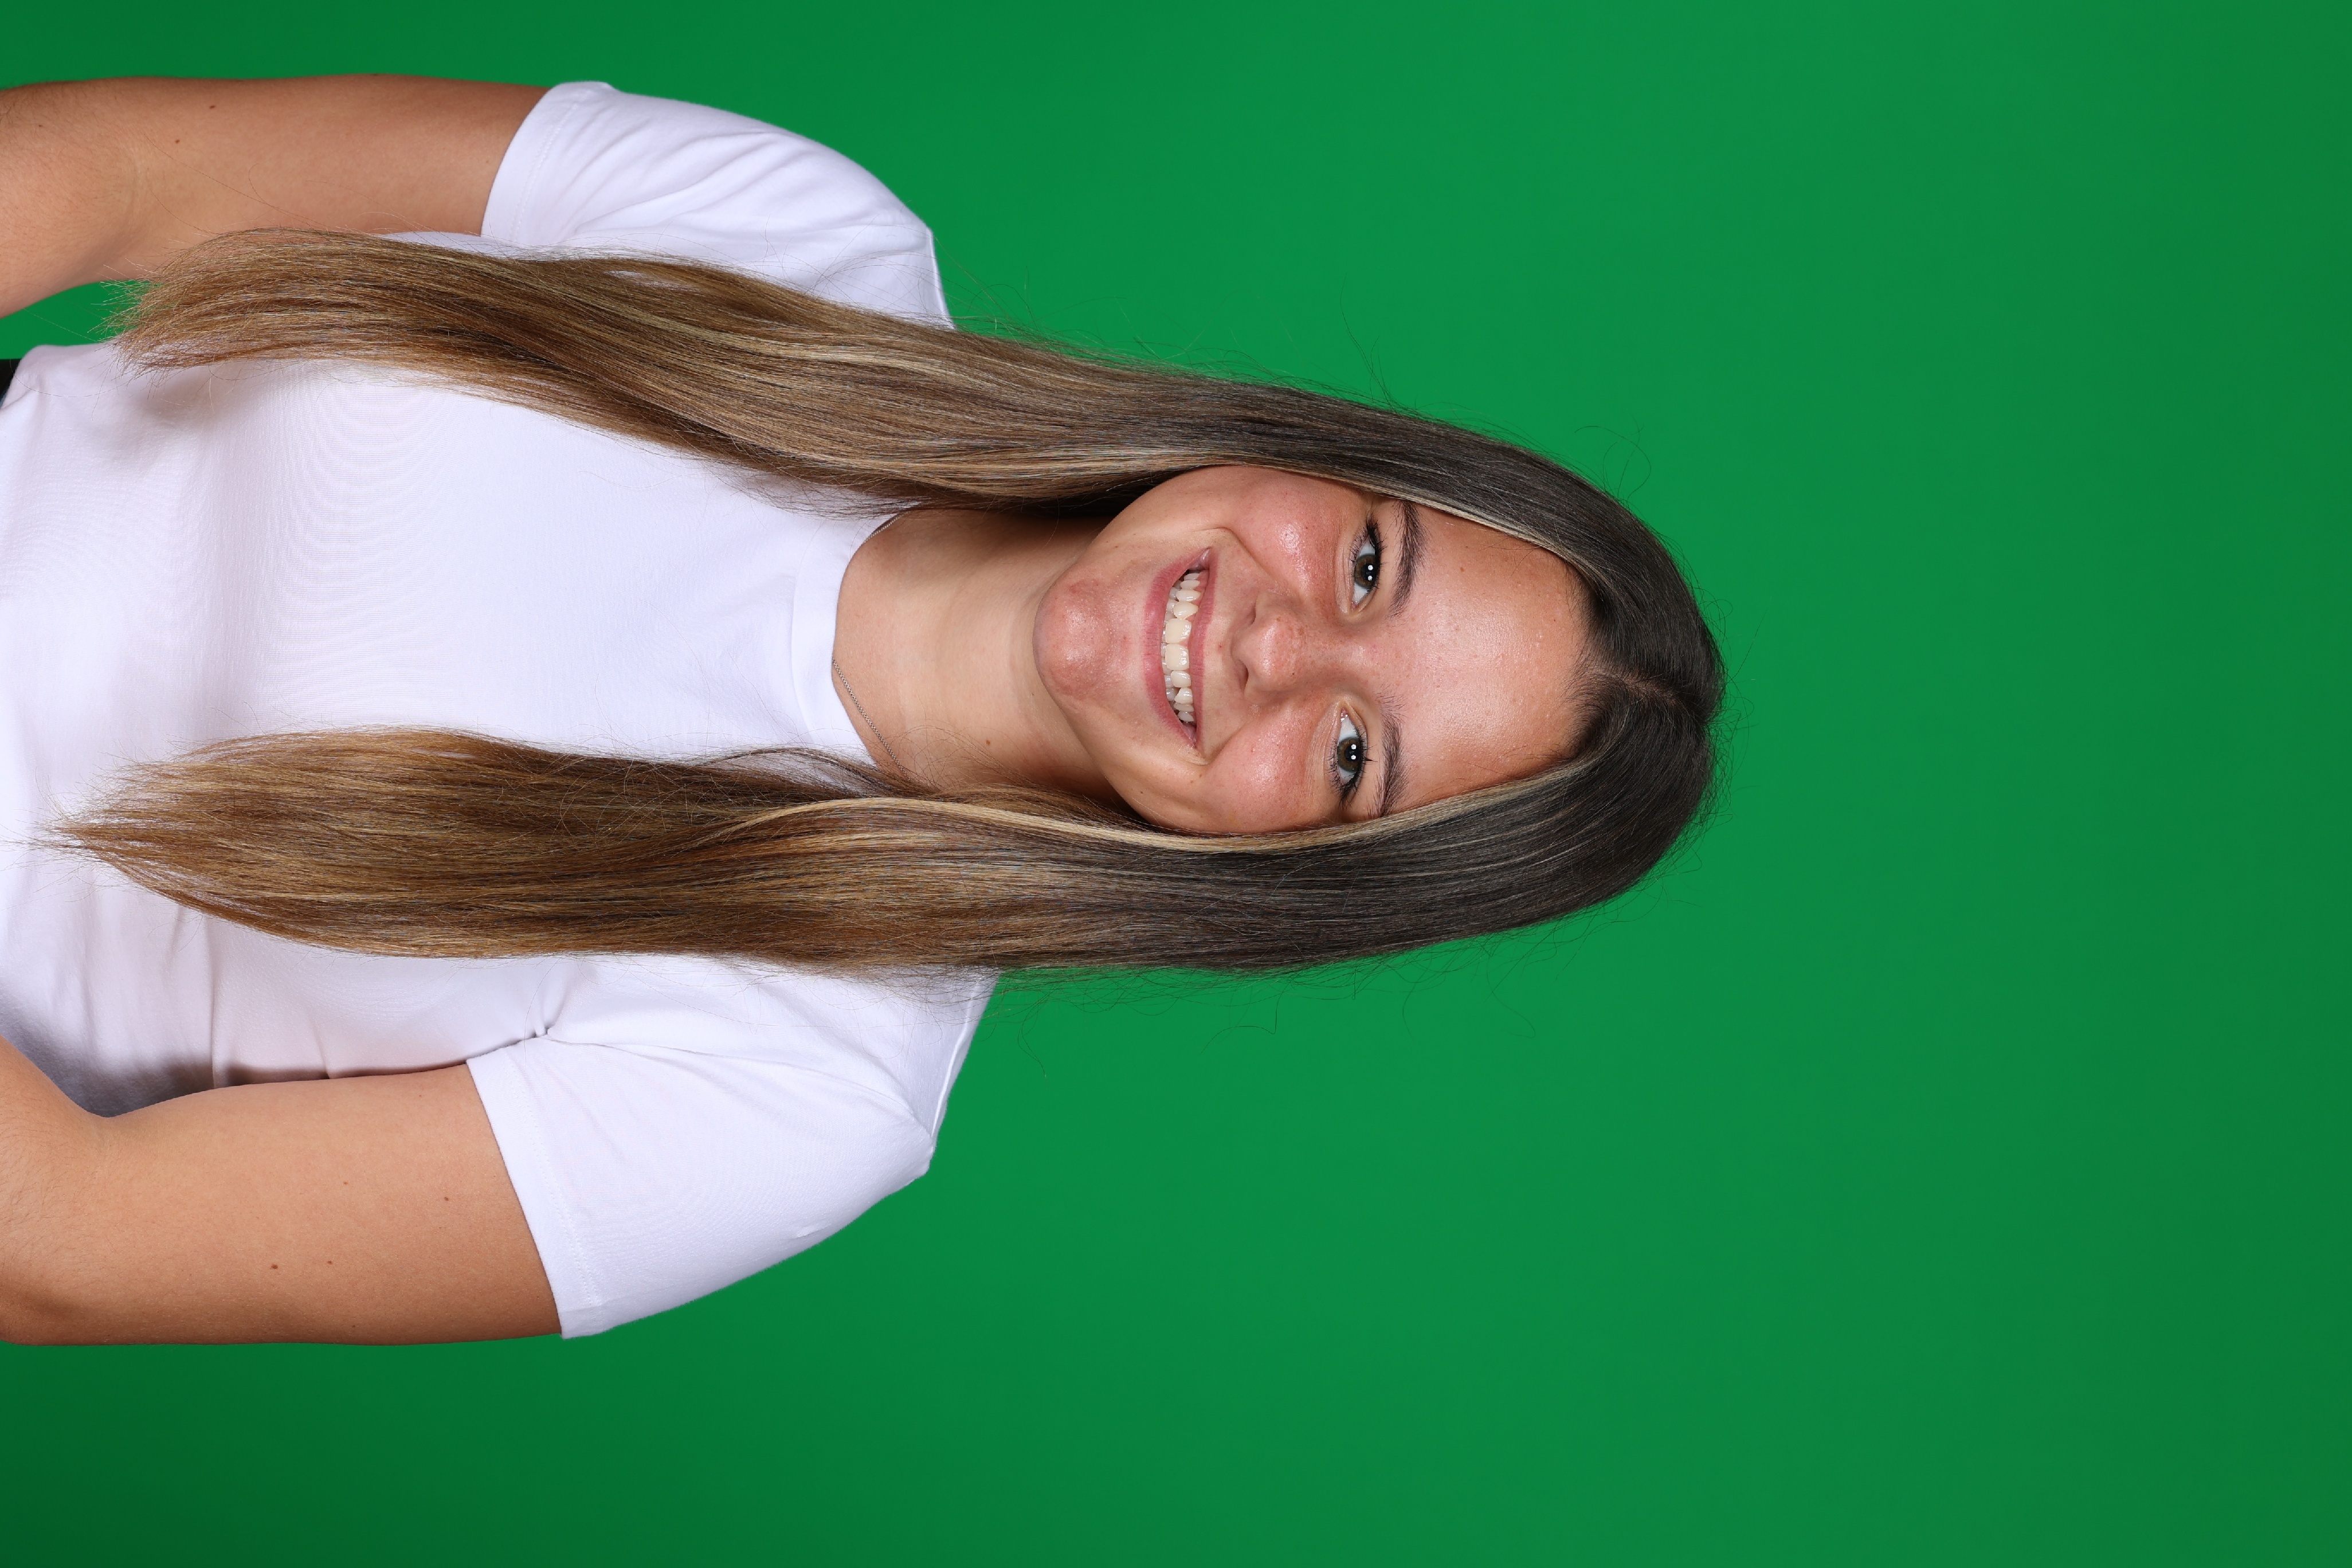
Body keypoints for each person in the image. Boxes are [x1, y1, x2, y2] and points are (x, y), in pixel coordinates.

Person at [0, 76, 1722, 1346]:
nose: (1283, 646)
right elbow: (131, 173)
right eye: (1366, 562)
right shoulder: (803, 235)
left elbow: (63, 1247)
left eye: (1353, 757)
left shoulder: (810, 1097)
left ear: (1306, 878)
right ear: (1318, 457)